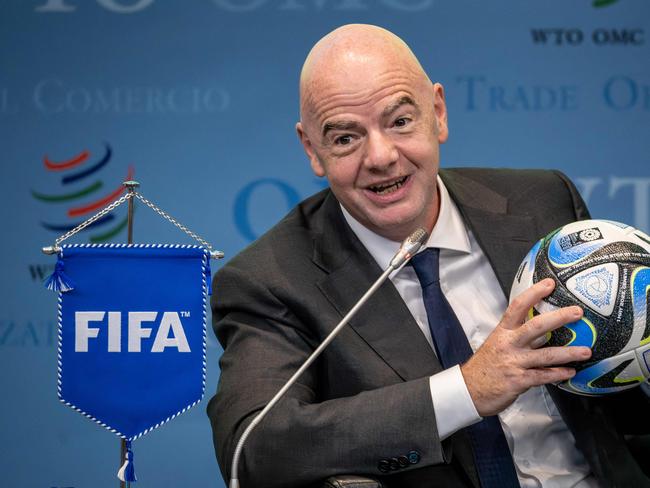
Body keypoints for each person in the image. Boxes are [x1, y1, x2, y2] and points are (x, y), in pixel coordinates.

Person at [208, 24, 650, 488]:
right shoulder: (271, 279)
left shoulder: (542, 203)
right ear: (312, 149)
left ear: (437, 113)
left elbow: (623, 396)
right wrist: (467, 389)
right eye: (345, 139)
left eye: (400, 121)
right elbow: (253, 451)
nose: (380, 157)